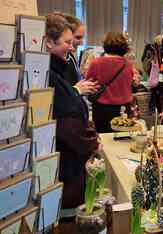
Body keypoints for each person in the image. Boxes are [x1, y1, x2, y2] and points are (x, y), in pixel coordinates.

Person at [45, 13, 100, 218]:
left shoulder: (59, 68)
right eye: (68, 41)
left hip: (71, 156)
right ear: (49, 43)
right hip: (67, 161)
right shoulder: (50, 75)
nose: (71, 46)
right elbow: (67, 122)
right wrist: (92, 142)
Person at [86, 32, 134, 133]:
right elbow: (130, 84)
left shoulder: (96, 63)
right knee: (123, 138)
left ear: (106, 46)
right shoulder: (128, 64)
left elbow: (88, 85)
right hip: (124, 107)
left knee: (103, 137)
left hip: (102, 108)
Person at [53, 12, 99, 96]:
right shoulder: (56, 63)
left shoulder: (70, 57)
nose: (81, 42)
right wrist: (77, 90)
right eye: (78, 37)